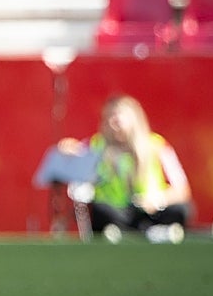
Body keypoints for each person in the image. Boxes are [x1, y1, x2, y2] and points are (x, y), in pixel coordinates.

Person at [61, 94, 193, 244]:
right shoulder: (98, 145)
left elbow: (182, 190)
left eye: (117, 119)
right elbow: (77, 151)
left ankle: (159, 231)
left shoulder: (156, 145)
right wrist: (68, 150)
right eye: (109, 118)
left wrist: (157, 200)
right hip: (118, 211)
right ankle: (116, 232)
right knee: (100, 211)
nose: (113, 124)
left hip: (151, 210)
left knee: (180, 209)